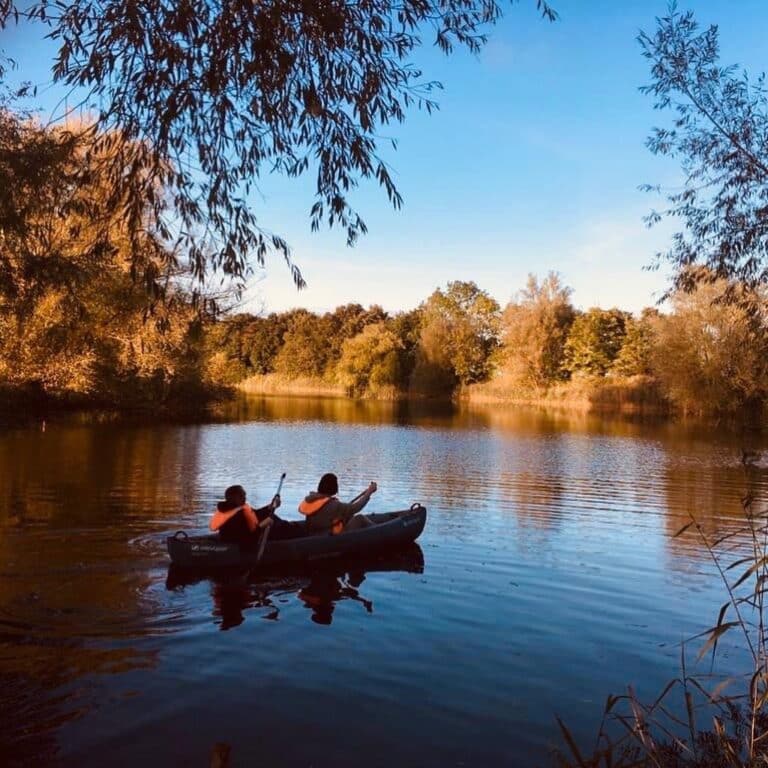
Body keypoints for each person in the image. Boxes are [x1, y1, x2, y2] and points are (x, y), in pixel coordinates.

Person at [210, 484, 302, 544]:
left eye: (244, 495)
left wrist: (270, 507)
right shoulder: (234, 516)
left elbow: (255, 514)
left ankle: (291, 527)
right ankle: (296, 531)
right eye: (241, 496)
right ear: (232, 498)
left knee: (273, 518)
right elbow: (248, 537)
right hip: (240, 544)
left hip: (243, 538)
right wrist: (263, 524)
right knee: (278, 526)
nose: (245, 498)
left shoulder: (233, 508)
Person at [298, 473, 377, 535]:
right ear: (334, 488)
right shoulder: (334, 505)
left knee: (348, 516)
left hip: (313, 535)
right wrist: (369, 492)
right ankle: (378, 530)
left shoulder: (311, 499)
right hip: (330, 539)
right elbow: (356, 507)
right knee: (360, 518)